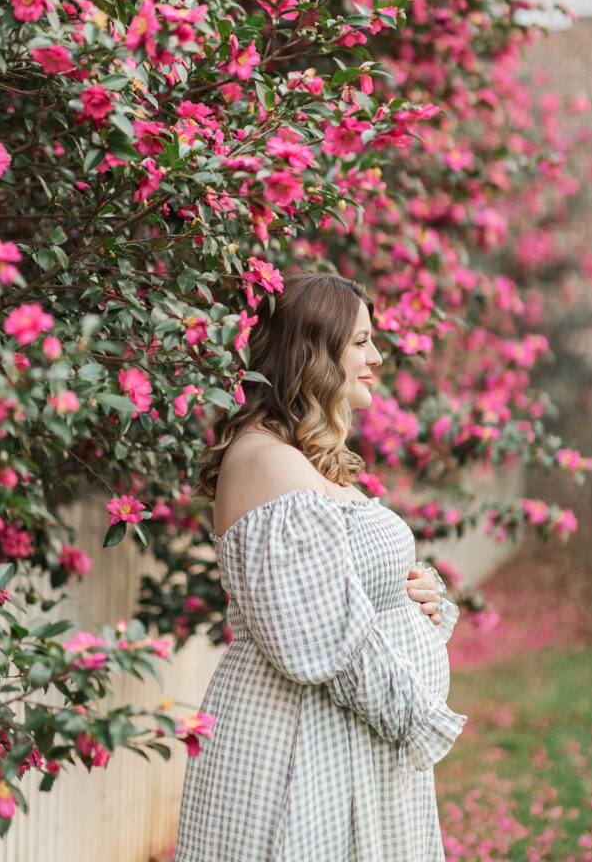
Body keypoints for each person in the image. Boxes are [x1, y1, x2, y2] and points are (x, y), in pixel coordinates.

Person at [173, 272, 467, 862]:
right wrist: (418, 720)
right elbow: (318, 637)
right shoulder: (266, 462)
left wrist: (421, 595)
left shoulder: (302, 461)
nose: (376, 357)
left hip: (348, 737)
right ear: (312, 349)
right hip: (300, 741)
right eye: (360, 341)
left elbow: (346, 591)